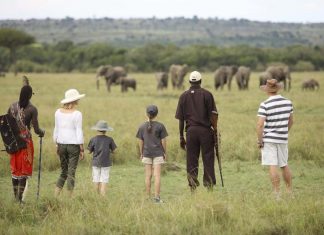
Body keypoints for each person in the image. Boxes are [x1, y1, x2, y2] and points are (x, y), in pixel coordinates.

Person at [175, 71, 218, 191]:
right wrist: (215, 131)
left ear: (189, 82)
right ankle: (209, 187)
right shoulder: (207, 94)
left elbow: (181, 120)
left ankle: (192, 187)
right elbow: (214, 115)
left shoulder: (183, 96)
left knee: (191, 160)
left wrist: (181, 137)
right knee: (208, 159)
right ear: (200, 81)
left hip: (191, 132)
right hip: (205, 131)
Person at [257, 78, 294, 200]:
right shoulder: (288, 102)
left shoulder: (265, 104)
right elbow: (291, 121)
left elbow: (260, 125)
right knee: (284, 164)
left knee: (272, 165)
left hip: (269, 139)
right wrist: (283, 132)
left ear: (267, 90)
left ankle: (277, 194)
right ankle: (289, 192)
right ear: (277, 89)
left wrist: (260, 140)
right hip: (283, 138)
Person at [8, 84, 45, 203]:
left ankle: (16, 199)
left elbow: (6, 123)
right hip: (25, 143)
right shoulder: (32, 109)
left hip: (13, 142)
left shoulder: (12, 106)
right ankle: (19, 200)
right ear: (29, 95)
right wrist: (42, 132)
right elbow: (36, 129)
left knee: (15, 169)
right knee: (24, 171)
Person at [53, 88, 85, 197]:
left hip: (61, 145)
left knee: (63, 172)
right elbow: (78, 131)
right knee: (71, 173)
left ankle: (55, 197)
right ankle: (69, 198)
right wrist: (81, 148)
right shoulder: (77, 114)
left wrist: (56, 144)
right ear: (74, 100)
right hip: (73, 146)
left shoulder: (58, 112)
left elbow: (56, 129)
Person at [136, 105, 168, 203]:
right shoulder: (160, 126)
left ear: (147, 114)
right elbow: (163, 141)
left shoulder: (142, 126)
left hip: (146, 153)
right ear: (156, 114)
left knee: (147, 176)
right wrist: (165, 152)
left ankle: (147, 197)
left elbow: (140, 142)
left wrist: (141, 153)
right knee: (157, 176)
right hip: (158, 153)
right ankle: (157, 198)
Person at [87, 120, 117, 196]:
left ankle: (95, 197)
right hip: (106, 163)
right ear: (106, 130)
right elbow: (115, 151)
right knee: (104, 180)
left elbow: (89, 151)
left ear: (97, 129)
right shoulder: (110, 139)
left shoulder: (93, 139)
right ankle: (103, 197)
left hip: (96, 163)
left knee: (96, 179)